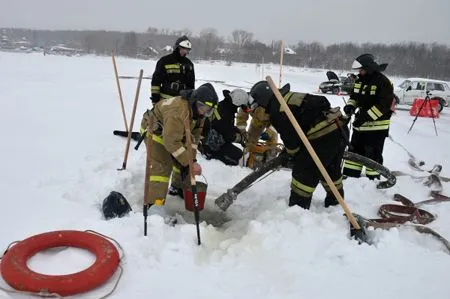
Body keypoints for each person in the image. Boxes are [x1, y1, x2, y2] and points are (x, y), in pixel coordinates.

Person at [249, 81, 348, 210]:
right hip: (338, 128)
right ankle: (335, 204)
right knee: (330, 169)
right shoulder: (286, 98)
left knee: (303, 173)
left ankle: (298, 209)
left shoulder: (277, 110)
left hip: (323, 136)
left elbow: (292, 142)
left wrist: (290, 154)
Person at [147, 83, 218, 218]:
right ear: (195, 101)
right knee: (163, 166)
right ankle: (154, 208)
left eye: (209, 110)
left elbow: (193, 140)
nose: (205, 112)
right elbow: (170, 142)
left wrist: (191, 161)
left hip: (175, 133)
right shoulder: (178, 111)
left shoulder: (198, 114)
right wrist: (189, 163)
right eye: (203, 107)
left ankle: (177, 187)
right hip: (156, 132)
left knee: (183, 162)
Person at [342, 53, 394, 180]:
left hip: (376, 128)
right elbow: (354, 97)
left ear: (369, 68)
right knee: (354, 153)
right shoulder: (360, 80)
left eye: (362, 69)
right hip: (360, 126)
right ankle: (350, 176)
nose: (359, 72)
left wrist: (364, 118)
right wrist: (350, 106)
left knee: (372, 155)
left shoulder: (383, 82)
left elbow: (383, 106)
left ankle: (373, 181)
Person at [200, 89, 253, 166]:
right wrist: (240, 138)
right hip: (210, 145)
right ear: (237, 102)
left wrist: (237, 130)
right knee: (240, 157)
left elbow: (225, 127)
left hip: (210, 137)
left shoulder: (223, 106)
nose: (241, 108)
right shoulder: (226, 113)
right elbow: (228, 135)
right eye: (241, 106)